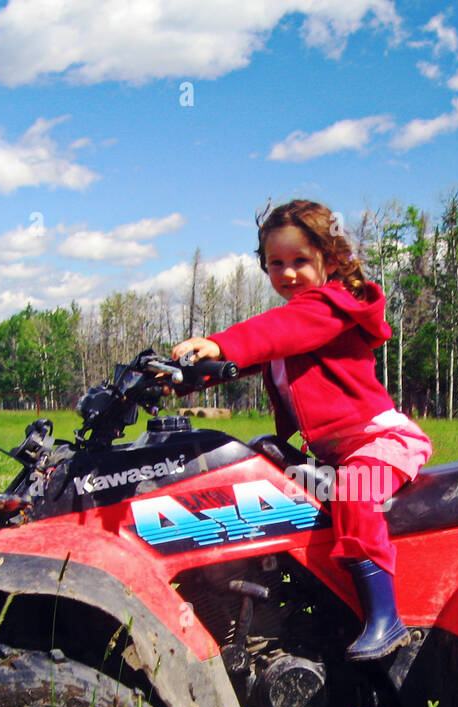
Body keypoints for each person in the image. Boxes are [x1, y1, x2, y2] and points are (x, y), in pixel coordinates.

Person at [172, 199, 432, 661]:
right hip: (338, 450)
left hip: (381, 440)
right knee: (259, 462)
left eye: (299, 261)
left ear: (328, 262)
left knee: (356, 491)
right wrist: (191, 372)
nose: (287, 273)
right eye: (276, 264)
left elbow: (269, 335)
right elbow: (248, 358)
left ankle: (386, 619)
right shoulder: (298, 321)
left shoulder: (329, 307)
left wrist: (218, 341)